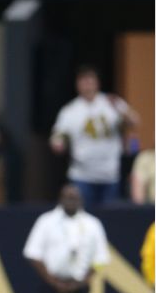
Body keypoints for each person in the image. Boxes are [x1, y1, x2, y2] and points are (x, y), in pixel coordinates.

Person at [49, 66, 140, 207]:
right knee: (82, 220)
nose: (87, 86)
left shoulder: (111, 102)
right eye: (84, 82)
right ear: (77, 85)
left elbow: (134, 121)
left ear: (97, 83)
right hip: (81, 176)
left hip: (109, 174)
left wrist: (122, 111)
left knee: (109, 221)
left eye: (90, 82)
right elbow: (58, 136)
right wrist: (58, 143)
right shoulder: (70, 111)